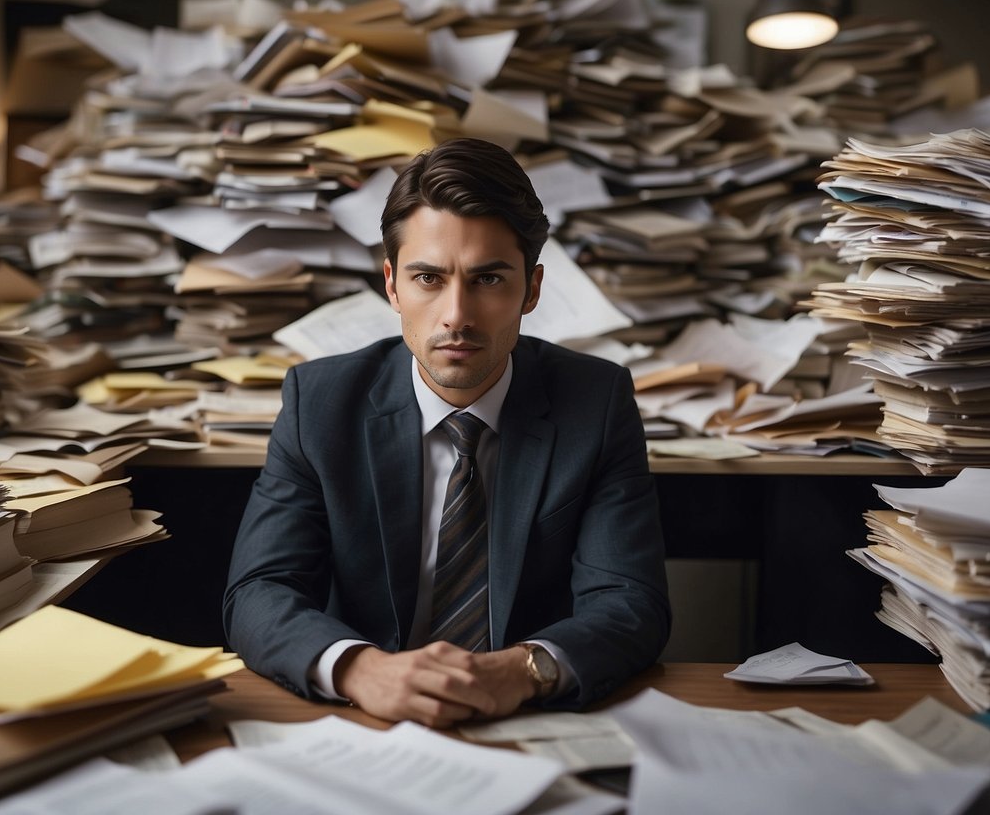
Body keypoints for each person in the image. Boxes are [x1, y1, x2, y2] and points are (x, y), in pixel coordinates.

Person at [224, 137, 670, 728]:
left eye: (487, 280)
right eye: (429, 278)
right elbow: (259, 591)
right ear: (392, 285)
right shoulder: (321, 403)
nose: (456, 314)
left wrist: (522, 669)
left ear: (531, 290)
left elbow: (630, 601)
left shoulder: (595, 401)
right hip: (366, 720)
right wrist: (361, 669)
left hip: (530, 716)